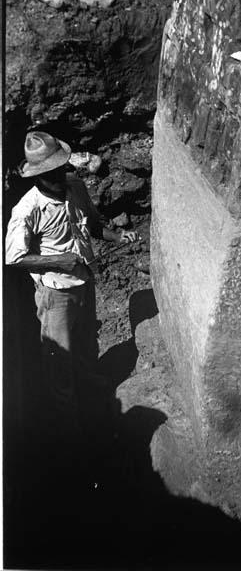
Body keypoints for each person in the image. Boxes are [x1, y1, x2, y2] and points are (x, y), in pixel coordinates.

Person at [5, 131, 139, 455]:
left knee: (83, 345)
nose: (58, 176)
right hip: (55, 294)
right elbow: (14, 257)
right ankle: (69, 434)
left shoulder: (76, 187)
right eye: (51, 173)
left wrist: (117, 236)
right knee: (58, 361)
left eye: (60, 168)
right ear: (38, 176)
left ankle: (92, 402)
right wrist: (59, 260)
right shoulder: (28, 209)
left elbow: (92, 225)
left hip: (85, 283)